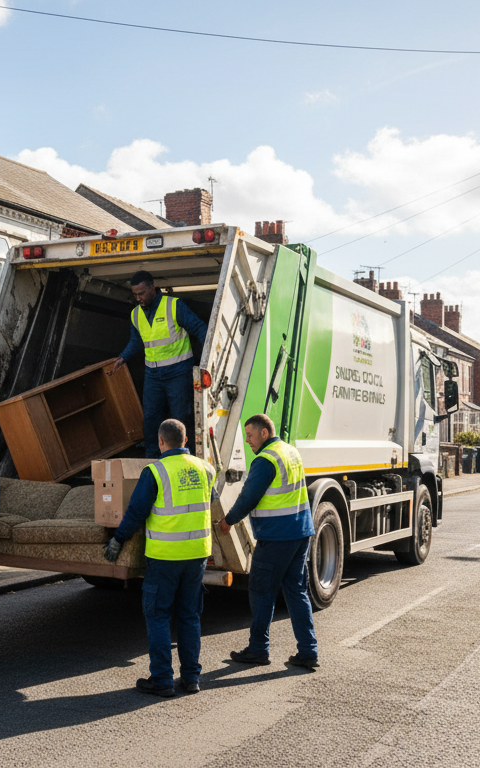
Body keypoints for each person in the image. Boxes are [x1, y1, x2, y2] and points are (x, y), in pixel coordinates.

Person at [103, 419, 216, 697]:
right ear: (186, 440)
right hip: (197, 555)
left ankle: (163, 679)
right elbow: (210, 501)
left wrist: (118, 539)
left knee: (157, 615)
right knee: (190, 616)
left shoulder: (154, 471)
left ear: (161, 442)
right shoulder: (206, 469)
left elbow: (136, 512)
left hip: (165, 557)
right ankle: (191, 678)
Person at [219, 414, 319, 669]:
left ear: (264, 433)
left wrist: (228, 521)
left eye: (250, 435)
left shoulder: (264, 460)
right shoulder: (290, 451)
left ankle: (258, 649)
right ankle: (309, 651)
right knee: (296, 591)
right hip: (300, 532)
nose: (248, 441)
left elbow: (248, 498)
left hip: (276, 537)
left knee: (262, 591)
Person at [108, 271, 208, 458]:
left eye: (142, 293)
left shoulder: (173, 305)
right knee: (150, 420)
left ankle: (184, 457)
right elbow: (136, 341)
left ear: (152, 288)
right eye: (135, 294)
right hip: (153, 375)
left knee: (181, 419)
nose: (138, 298)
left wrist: (209, 358)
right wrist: (122, 358)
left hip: (178, 372)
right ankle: (152, 459)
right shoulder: (135, 314)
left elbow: (200, 328)